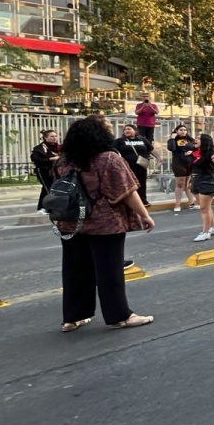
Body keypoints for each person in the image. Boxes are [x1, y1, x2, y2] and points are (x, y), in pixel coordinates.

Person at [53, 115, 154, 331]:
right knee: (109, 271)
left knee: (74, 271)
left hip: (71, 222)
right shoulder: (108, 158)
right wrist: (144, 215)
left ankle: (73, 317)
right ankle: (120, 316)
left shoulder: (64, 161)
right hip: (104, 224)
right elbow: (126, 191)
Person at [114, 125, 153, 207]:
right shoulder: (120, 141)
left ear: (135, 131)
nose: (126, 131)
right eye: (125, 129)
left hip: (141, 166)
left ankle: (143, 200)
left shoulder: (142, 140)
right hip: (127, 167)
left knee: (142, 183)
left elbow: (151, 149)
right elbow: (114, 151)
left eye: (129, 129)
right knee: (130, 185)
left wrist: (158, 158)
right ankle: (131, 202)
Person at [167, 125, 197, 212]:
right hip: (179, 164)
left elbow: (196, 148)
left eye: (185, 130)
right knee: (180, 184)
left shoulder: (190, 139)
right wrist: (172, 138)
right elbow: (171, 148)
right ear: (176, 131)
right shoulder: (173, 140)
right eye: (181, 130)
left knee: (189, 185)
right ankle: (177, 204)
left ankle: (192, 202)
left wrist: (192, 152)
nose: (183, 131)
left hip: (190, 163)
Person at [31, 129, 61, 212]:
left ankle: (45, 207)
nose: (54, 138)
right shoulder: (39, 148)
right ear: (45, 138)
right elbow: (36, 159)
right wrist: (51, 159)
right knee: (48, 188)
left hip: (56, 171)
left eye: (55, 136)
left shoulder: (59, 147)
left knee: (54, 188)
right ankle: (45, 207)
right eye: (51, 136)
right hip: (44, 171)